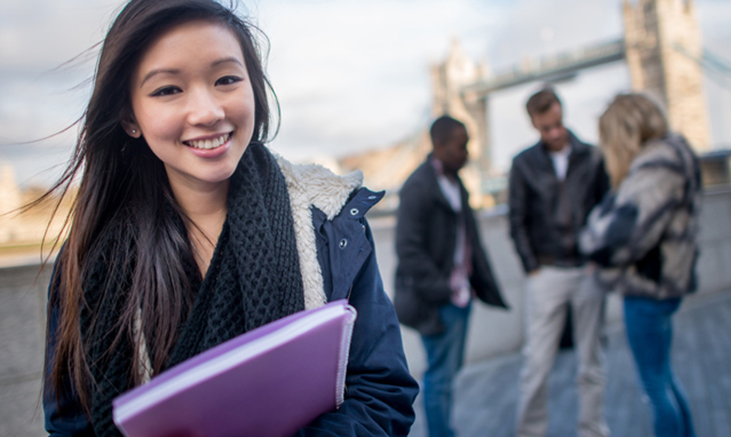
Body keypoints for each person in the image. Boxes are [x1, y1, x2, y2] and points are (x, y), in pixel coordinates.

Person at [40, 1, 418, 435]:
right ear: (129, 117)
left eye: (226, 80)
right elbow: (72, 423)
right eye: (168, 90)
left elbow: (382, 390)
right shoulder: (91, 260)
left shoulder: (330, 220)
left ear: (254, 88)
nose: (207, 112)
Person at [580, 93, 700, 437]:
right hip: (662, 285)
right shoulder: (672, 154)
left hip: (648, 289)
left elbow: (618, 234)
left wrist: (591, 241)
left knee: (656, 390)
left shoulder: (656, 166)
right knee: (664, 379)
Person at [394, 115, 507, 437]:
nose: (467, 152)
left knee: (449, 373)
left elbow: (470, 241)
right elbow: (408, 249)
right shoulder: (417, 187)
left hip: (461, 295)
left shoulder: (457, 183)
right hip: (439, 300)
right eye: (461, 146)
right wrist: (442, 290)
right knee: (440, 378)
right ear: (439, 145)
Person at [508, 87, 610, 437]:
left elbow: (606, 209)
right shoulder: (523, 164)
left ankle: (592, 430)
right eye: (544, 128)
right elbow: (516, 221)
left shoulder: (592, 157)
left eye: (556, 124)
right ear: (534, 125)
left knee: (591, 363)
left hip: (587, 271)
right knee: (536, 364)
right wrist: (532, 268)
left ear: (562, 114)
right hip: (547, 272)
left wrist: (599, 258)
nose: (553, 133)